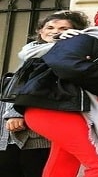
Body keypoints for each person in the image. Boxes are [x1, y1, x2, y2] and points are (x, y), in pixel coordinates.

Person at [19, 7, 98, 177]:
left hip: (63, 108)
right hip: (55, 108)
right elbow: (69, 67)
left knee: (63, 165)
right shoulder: (83, 39)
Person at [0, 11, 89, 177]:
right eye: (50, 27)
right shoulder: (31, 52)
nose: (55, 31)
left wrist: (15, 113)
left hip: (37, 131)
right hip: (9, 130)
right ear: (41, 31)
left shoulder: (70, 55)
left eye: (63, 29)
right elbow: (19, 85)